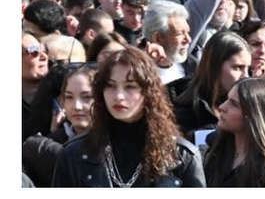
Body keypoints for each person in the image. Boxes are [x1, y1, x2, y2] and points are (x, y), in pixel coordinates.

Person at [52, 47, 206, 187]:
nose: (119, 96)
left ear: (148, 92)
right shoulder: (74, 153)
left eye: (130, 86)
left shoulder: (182, 156)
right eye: (110, 86)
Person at [204, 77, 265, 187]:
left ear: (255, 116)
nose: (222, 107)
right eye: (227, 99)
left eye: (234, 104)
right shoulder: (216, 146)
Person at [22, 65, 97, 187]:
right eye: (69, 97)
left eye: (87, 97)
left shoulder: (116, 144)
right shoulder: (46, 144)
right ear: (62, 102)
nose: (77, 106)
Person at [173, 32, 252, 140]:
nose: (245, 76)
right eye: (238, 67)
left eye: (248, 69)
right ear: (214, 67)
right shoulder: (183, 113)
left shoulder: (247, 111)